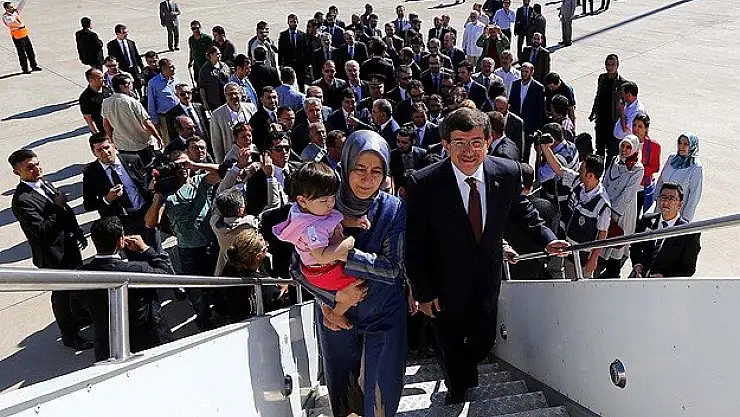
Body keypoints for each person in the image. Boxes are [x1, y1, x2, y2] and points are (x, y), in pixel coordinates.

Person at [406, 108, 567, 404]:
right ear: (446, 144)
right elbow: (414, 245)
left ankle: (463, 370)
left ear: (488, 141)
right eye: (460, 143)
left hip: (487, 279)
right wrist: (423, 292)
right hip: (443, 286)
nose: (469, 151)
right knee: (450, 345)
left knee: (485, 341)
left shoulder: (507, 172)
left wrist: (547, 239)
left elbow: (523, 212)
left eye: (476, 142)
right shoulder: (424, 183)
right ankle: (456, 389)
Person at [289, 130, 407, 417]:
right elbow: (296, 267)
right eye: (359, 168)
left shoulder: (392, 209)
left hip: (384, 312)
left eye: (377, 171)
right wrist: (334, 300)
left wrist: (345, 255)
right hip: (335, 316)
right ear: (345, 166)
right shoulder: (322, 201)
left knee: (382, 396)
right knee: (343, 397)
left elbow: (393, 268)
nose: (367, 179)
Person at [9, 149, 91, 351]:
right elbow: (41, 230)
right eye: (30, 167)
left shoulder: (44, 182)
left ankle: (81, 316)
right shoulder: (22, 200)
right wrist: (56, 207)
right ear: (17, 172)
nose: (37, 169)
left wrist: (77, 231)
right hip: (53, 255)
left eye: (37, 164)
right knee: (62, 296)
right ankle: (69, 335)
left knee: (78, 286)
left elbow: (65, 211)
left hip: (69, 245)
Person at [273, 162, 365, 321]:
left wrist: (355, 222)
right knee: (358, 284)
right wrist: (347, 243)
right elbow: (322, 256)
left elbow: (335, 220)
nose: (330, 203)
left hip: (323, 269)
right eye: (324, 200)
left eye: (333, 197)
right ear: (302, 201)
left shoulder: (313, 211)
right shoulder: (312, 228)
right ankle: (336, 314)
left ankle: (328, 306)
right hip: (324, 272)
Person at [145, 152, 221, 331]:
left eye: (183, 164)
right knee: (195, 290)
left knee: (218, 282)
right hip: (188, 250)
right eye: (177, 165)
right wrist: (158, 196)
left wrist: (195, 164)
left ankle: (220, 308)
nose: (182, 169)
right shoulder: (167, 191)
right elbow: (150, 222)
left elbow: (222, 171)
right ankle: (203, 319)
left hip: (211, 244)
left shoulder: (200, 181)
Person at [80, 217, 173, 361]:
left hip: (108, 346)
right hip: (147, 340)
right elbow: (167, 275)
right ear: (121, 241)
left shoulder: (81, 275)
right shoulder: (136, 270)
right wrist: (146, 249)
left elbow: (80, 305)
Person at [82, 133, 161, 257]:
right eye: (99, 150)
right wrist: (107, 199)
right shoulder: (91, 173)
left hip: (144, 214)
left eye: (107, 147)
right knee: (135, 259)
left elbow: (145, 184)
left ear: (113, 145)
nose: (105, 152)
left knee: (157, 253)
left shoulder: (132, 159)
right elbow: (88, 204)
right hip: (121, 223)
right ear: (94, 153)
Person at [541, 145, 610, 278]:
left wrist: (593, 259)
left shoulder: (603, 204)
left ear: (590, 175)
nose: (578, 170)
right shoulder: (577, 182)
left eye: (582, 169)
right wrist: (545, 147)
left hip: (582, 256)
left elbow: (603, 233)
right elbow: (558, 169)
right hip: (568, 249)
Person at [595, 135, 644, 278]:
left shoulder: (637, 168)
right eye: (623, 145)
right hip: (606, 206)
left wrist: (612, 212)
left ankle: (613, 274)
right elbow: (605, 181)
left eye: (629, 147)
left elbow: (627, 194)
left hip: (622, 212)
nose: (624, 150)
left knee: (616, 242)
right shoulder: (614, 160)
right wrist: (602, 202)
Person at [630, 182, 701, 278]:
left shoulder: (689, 233)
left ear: (680, 204)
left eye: (671, 198)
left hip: (665, 284)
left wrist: (664, 277)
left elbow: (688, 269)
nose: (666, 202)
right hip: (638, 278)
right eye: (663, 197)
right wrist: (637, 265)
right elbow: (635, 246)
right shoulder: (646, 220)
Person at [506, 163, 558, 279]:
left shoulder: (507, 205)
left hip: (510, 263)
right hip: (534, 263)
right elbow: (552, 228)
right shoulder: (546, 206)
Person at [102, 74, 163, 165]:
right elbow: (147, 123)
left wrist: (111, 139)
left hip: (122, 145)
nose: (131, 85)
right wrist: (158, 137)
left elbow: (106, 125)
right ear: (121, 87)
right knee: (148, 166)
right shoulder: (132, 102)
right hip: (140, 143)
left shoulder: (106, 103)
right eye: (129, 83)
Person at [655, 132, 703, 222]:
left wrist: (685, 219)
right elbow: (661, 181)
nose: (681, 146)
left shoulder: (696, 167)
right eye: (680, 143)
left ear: (692, 146)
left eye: (686, 144)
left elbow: (694, 195)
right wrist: (657, 200)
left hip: (676, 213)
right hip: (662, 207)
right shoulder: (672, 159)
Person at [589, 54, 626, 160]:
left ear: (617, 65)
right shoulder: (602, 78)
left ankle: (609, 169)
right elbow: (598, 96)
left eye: (613, 64)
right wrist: (593, 112)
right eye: (608, 64)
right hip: (601, 119)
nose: (610, 67)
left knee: (611, 150)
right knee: (599, 148)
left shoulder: (622, 83)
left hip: (612, 121)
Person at [210, 82, 258, 163]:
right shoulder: (216, 115)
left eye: (235, 93)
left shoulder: (251, 108)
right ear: (225, 96)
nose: (233, 96)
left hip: (253, 156)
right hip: (232, 160)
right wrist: (221, 164)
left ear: (241, 94)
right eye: (230, 94)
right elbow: (216, 142)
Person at [508, 62, 546, 162]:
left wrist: (536, 129)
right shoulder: (515, 84)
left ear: (532, 72)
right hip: (516, 124)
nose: (523, 74)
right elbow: (511, 103)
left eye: (526, 72)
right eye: (522, 71)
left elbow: (539, 110)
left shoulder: (538, 87)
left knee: (526, 152)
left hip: (529, 127)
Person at [631, 112, 661, 215]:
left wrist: (638, 170)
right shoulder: (627, 142)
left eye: (640, 126)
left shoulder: (654, 145)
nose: (636, 129)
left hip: (643, 188)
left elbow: (655, 167)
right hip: (628, 187)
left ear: (646, 128)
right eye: (634, 125)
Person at [2, 0, 41, 73]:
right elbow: (14, 22)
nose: (13, 8)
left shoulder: (15, 12)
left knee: (30, 51)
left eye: (12, 6)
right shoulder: (6, 17)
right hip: (17, 37)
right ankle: (25, 68)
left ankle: (34, 65)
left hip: (24, 34)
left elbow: (21, 6)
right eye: (11, 7)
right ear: (6, 9)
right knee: (22, 53)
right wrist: (15, 15)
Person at [612, 81, 645, 162]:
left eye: (623, 93)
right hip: (618, 142)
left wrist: (622, 112)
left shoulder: (637, 111)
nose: (621, 96)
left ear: (629, 95)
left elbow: (626, 129)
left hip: (626, 146)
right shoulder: (627, 104)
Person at [147, 58, 179, 142]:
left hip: (178, 115)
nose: (174, 68)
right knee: (169, 141)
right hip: (165, 118)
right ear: (163, 68)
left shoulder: (176, 80)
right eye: (171, 67)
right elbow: (151, 103)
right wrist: (155, 122)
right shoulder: (153, 83)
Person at [278, 14, 309, 92]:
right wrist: (280, 64)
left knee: (301, 83)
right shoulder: (283, 35)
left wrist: (306, 64)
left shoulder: (303, 35)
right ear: (288, 23)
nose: (293, 24)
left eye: (294, 22)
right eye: (291, 22)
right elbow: (280, 51)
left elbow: (306, 51)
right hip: (288, 63)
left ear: (297, 22)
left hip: (300, 65)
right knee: (287, 84)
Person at [199, 46, 231, 112]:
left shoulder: (224, 66)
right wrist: (205, 102)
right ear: (211, 55)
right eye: (217, 54)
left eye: (220, 54)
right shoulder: (204, 70)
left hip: (226, 100)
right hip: (214, 102)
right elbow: (202, 88)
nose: (220, 55)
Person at [79, 68, 111, 134]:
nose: (104, 79)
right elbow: (88, 118)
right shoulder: (85, 97)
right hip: (102, 130)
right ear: (91, 80)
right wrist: (97, 134)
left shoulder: (106, 89)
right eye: (100, 78)